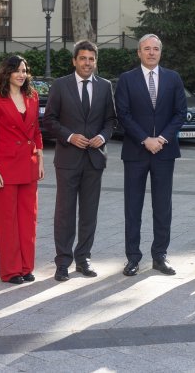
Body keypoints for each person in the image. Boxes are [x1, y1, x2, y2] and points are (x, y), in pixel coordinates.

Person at [43, 40, 116, 282]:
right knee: (64, 212)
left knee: (89, 213)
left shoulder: (105, 87)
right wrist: (71, 136)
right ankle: (63, 262)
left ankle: (83, 258)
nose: (87, 63)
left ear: (96, 62)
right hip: (68, 159)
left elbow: (110, 121)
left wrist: (102, 136)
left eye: (91, 59)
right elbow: (50, 120)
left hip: (94, 160)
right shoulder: (60, 85)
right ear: (74, 60)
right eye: (83, 58)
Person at [114, 34, 186, 277]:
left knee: (162, 206)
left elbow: (180, 113)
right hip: (136, 152)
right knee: (133, 207)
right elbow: (123, 114)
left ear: (160, 52)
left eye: (156, 49)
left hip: (165, 152)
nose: (151, 53)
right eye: (147, 49)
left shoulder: (173, 78)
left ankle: (160, 256)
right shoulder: (126, 79)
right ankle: (133, 257)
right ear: (139, 53)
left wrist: (162, 139)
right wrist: (145, 139)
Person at [0, 56, 44, 284]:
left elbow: (36, 131)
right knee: (7, 221)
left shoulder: (32, 97)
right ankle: (11, 271)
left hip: (28, 166)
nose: (21, 74)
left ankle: (26, 267)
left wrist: (40, 159)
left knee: (29, 219)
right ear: (7, 73)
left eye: (24, 70)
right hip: (4, 168)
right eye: (17, 70)